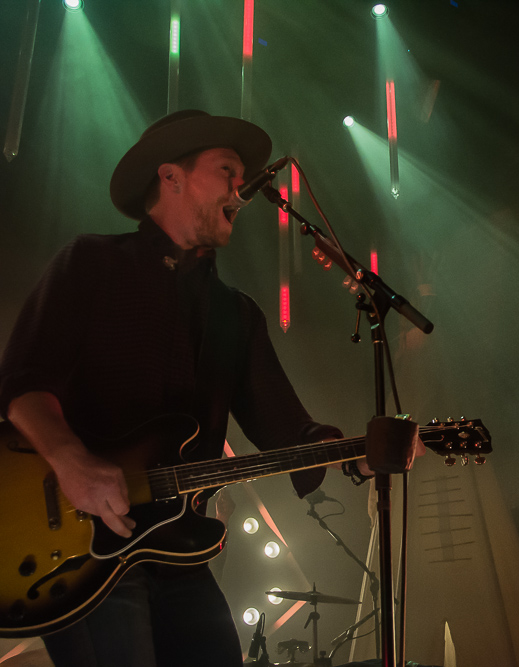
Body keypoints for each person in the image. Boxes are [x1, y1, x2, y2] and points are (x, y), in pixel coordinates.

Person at [0, 110, 384, 666]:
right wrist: (71, 460)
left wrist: (358, 455)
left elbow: (288, 429)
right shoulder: (91, 262)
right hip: (81, 547)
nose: (242, 187)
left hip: (179, 553)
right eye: (227, 169)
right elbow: (22, 383)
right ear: (170, 177)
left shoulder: (235, 314)